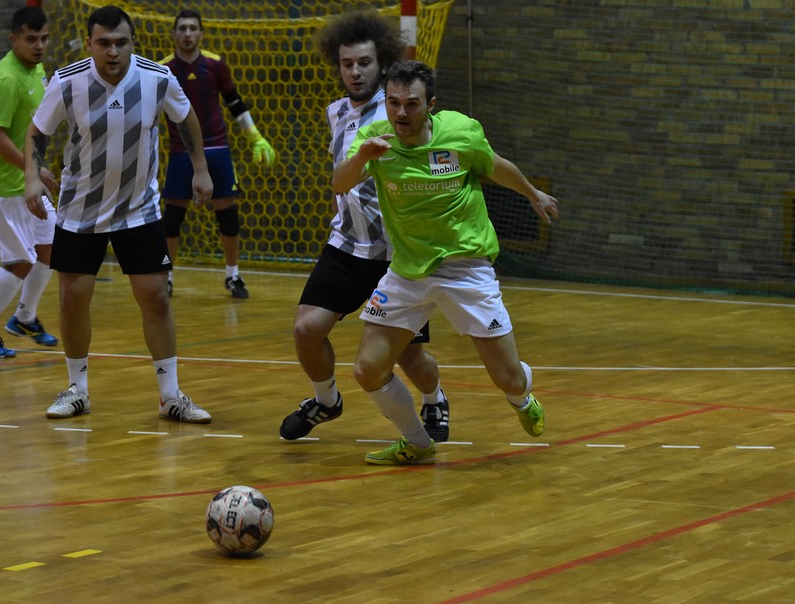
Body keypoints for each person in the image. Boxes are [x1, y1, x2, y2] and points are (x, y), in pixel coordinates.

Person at [332, 60, 559, 465]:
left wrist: (531, 193)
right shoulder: (374, 139)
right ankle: (417, 443)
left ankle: (523, 397)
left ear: (430, 105)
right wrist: (362, 155)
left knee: (506, 377)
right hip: (407, 271)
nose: (401, 113)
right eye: (394, 103)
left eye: (412, 104)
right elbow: (340, 184)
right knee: (368, 370)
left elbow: (495, 165)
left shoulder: (460, 133)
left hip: (465, 268)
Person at [23, 5, 213, 423]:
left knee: (156, 297)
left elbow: (187, 119)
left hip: (138, 208)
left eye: (121, 43)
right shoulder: (66, 82)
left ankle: (170, 396)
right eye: (104, 43)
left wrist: (201, 168)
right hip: (79, 209)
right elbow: (37, 131)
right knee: (74, 298)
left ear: (133, 43)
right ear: (90, 43)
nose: (113, 52)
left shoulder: (158, 78)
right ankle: (77, 390)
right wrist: (32, 177)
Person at [278, 12, 449, 443]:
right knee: (306, 330)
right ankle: (326, 400)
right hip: (347, 245)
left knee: (410, 358)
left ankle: (434, 400)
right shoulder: (336, 111)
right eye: (347, 63)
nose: (354, 71)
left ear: (383, 64)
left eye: (364, 63)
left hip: (397, 257)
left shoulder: (397, 111)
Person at [0, 6, 59, 359]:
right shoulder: (6, 78)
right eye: (31, 39)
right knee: (20, 261)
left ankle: (24, 317)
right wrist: (33, 169)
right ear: (13, 38)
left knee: (51, 247)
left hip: (23, 180)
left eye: (44, 38)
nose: (39, 46)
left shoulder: (36, 69)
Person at [160, 9, 276, 299]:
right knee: (172, 218)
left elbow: (235, 103)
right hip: (180, 150)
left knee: (228, 216)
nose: (187, 33)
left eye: (193, 28)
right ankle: (167, 277)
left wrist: (255, 137)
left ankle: (233, 276)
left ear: (201, 33)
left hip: (216, 147)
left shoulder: (215, 64)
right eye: (182, 28)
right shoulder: (162, 69)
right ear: (173, 35)